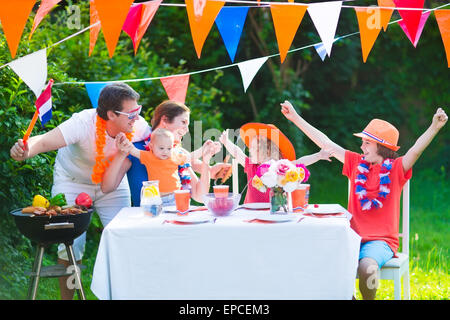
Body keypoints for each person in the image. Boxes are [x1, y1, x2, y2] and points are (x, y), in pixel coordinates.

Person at [280, 100, 448, 300]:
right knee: (324, 263)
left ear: (382, 146)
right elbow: (326, 143)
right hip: (350, 238)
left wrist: (434, 127)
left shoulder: (395, 169)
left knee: (367, 269)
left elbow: (415, 151)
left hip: (381, 242)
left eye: (367, 143)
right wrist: (295, 118)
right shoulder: (355, 163)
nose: (361, 146)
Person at [9, 83, 151, 299]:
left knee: (124, 236)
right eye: (131, 113)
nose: (137, 117)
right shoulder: (83, 123)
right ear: (111, 114)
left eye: (138, 111)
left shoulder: (139, 126)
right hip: (72, 181)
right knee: (71, 246)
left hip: (112, 184)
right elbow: (46, 140)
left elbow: (165, 144)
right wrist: (26, 150)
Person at [126, 100, 230, 206]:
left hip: (176, 212)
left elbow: (200, 196)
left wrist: (206, 163)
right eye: (183, 122)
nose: (186, 130)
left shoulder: (177, 153)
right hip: (148, 215)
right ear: (165, 120)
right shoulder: (136, 149)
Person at [219, 123, 331, 203]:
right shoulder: (252, 166)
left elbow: (301, 162)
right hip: (251, 212)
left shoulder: (281, 167)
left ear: (267, 150)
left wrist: (319, 155)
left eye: (253, 148)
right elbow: (238, 153)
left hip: (274, 211)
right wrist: (226, 142)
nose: (249, 150)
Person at [103, 128, 218, 206]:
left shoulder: (174, 156)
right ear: (152, 146)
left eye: (169, 148)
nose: (165, 151)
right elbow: (133, 150)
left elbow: (190, 156)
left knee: (176, 221)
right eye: (161, 148)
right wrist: (125, 140)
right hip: (157, 199)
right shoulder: (148, 156)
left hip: (175, 197)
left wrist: (203, 150)